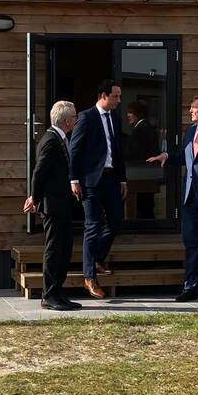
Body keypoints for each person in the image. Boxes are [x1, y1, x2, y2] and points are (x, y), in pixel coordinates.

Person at [146, 93, 198, 301]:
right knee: (190, 243)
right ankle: (190, 287)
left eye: (194, 107)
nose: (190, 111)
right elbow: (186, 156)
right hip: (190, 196)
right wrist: (167, 157)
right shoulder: (191, 130)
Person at [68, 80, 126, 300]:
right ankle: (90, 277)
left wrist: (123, 179)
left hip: (112, 179)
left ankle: (98, 257)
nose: (119, 100)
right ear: (103, 95)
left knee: (115, 221)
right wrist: (74, 179)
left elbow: (118, 151)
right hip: (90, 181)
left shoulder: (115, 119)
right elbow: (75, 149)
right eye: (115, 96)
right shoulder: (86, 117)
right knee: (92, 225)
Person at [23, 101, 83, 311]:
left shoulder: (60, 138)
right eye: (75, 117)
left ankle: (58, 292)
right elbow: (39, 172)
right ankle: (49, 295)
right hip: (53, 205)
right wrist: (34, 197)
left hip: (62, 204)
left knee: (64, 249)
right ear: (66, 121)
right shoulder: (51, 140)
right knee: (54, 250)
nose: (76, 120)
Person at [123, 100, 160, 220]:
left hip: (141, 174)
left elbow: (136, 152)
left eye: (130, 112)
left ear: (138, 114)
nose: (128, 115)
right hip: (146, 174)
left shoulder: (141, 129)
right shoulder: (146, 127)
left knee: (143, 207)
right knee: (146, 205)